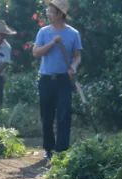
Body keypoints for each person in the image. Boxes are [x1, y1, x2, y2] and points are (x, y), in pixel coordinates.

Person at [31, 0, 81, 160]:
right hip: (46, 79)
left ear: (60, 14)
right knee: (47, 115)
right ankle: (48, 148)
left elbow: (77, 56)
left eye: (51, 11)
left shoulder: (73, 34)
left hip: (63, 80)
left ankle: (62, 149)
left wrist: (73, 66)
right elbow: (36, 52)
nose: (47, 13)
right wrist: (52, 43)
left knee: (64, 114)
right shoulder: (44, 32)